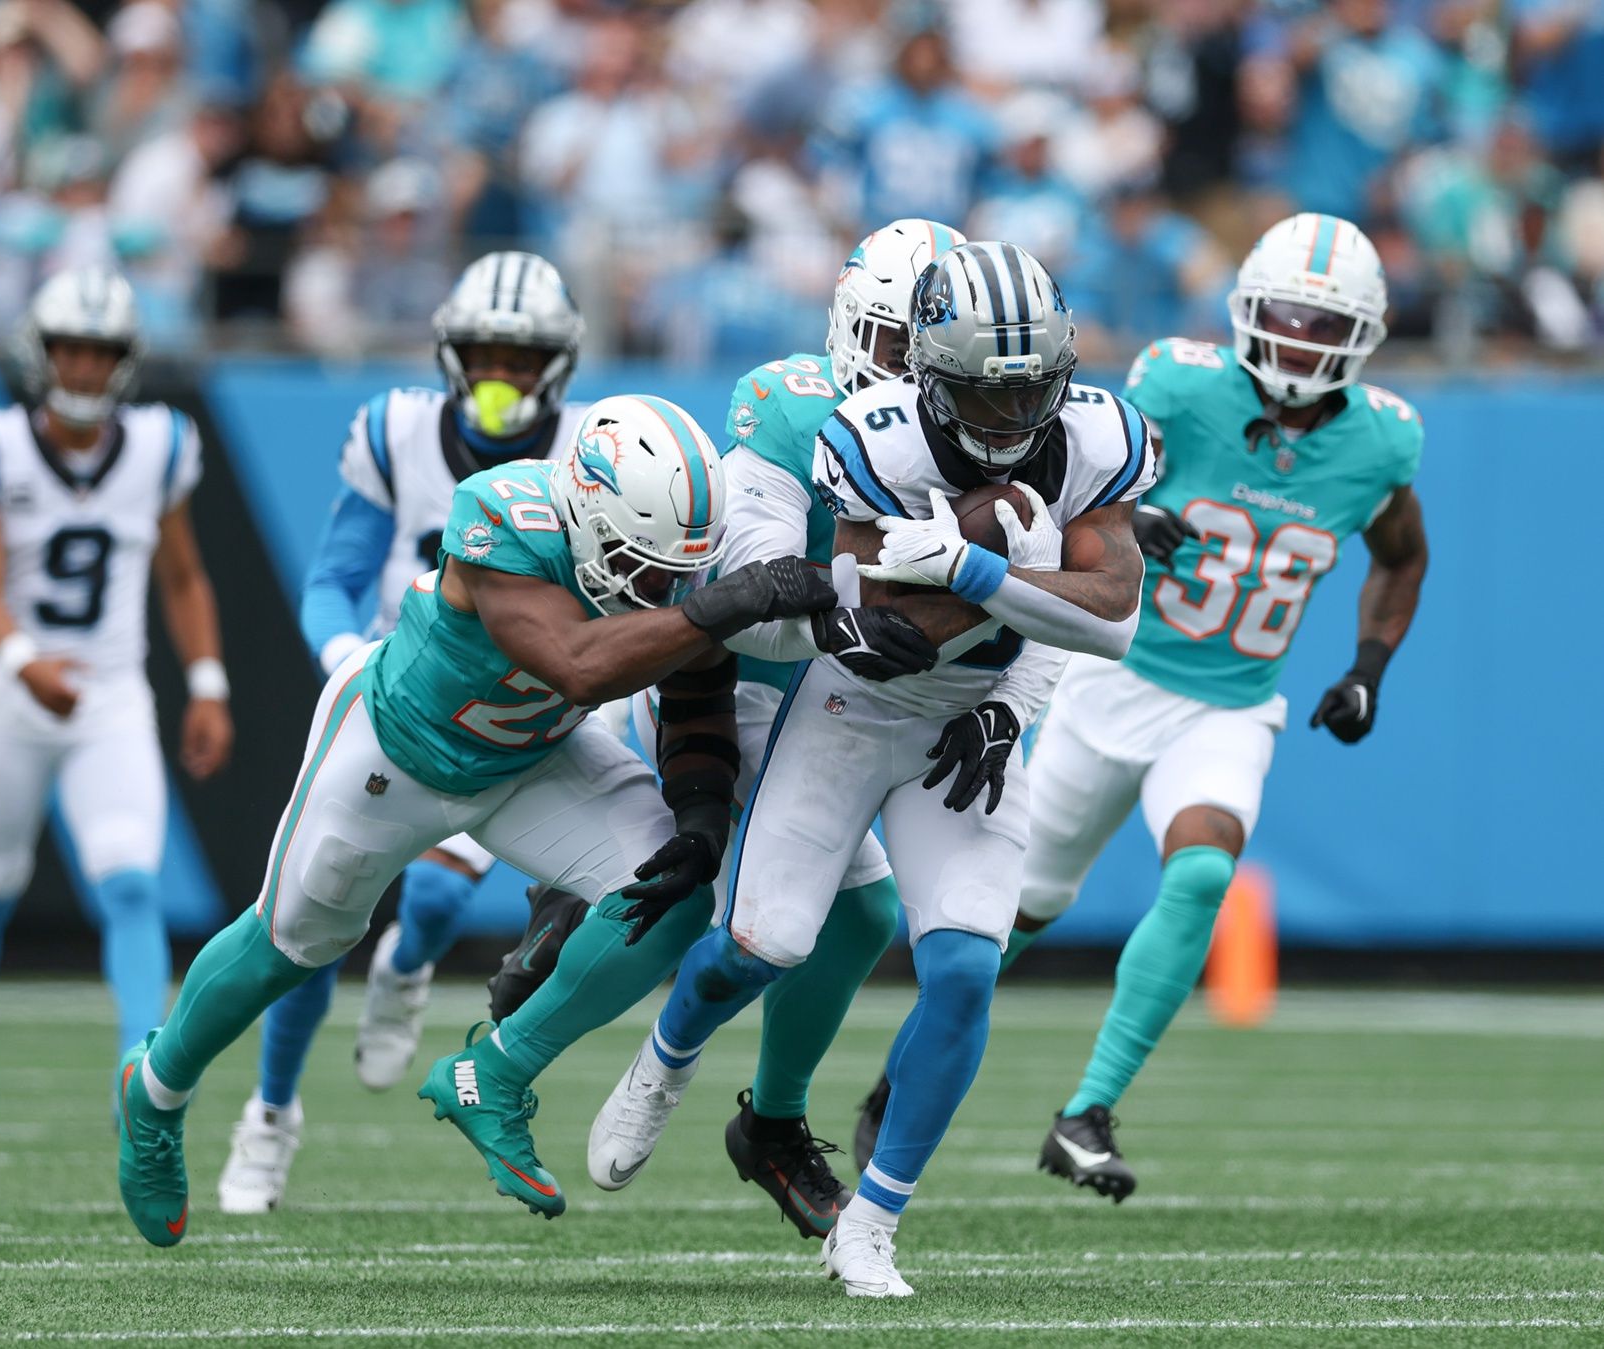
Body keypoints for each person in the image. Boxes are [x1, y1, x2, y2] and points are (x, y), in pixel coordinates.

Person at [115, 393, 837, 1247]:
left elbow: (694, 690)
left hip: (533, 759)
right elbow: (576, 664)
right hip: (394, 751)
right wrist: (725, 605)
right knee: (289, 944)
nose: (661, 589)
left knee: (676, 892)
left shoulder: (685, 570)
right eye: (640, 566)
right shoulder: (504, 513)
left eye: (678, 574)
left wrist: (703, 812)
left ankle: (492, 1072)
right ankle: (154, 1091)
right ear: (586, 513)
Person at [594, 240, 1155, 1296]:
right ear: (929, 376)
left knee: (965, 969)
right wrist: (1005, 578)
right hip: (851, 704)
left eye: (1031, 387)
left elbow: (1110, 619)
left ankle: (872, 1223)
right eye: (985, 391)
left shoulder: (1095, 435)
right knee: (760, 945)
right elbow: (869, 623)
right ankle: (664, 1059)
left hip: (972, 715)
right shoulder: (870, 434)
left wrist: (993, 645)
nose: (1011, 415)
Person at [858, 213, 1430, 1206]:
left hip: (1229, 705)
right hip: (1107, 679)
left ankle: (1087, 1111)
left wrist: (1368, 665)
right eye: (1285, 317)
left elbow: (1401, 553)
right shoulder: (1178, 384)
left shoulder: (1381, 440)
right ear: (1245, 312)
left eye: (1323, 325)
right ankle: (895, 1082)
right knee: (1009, 915)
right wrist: (1131, 517)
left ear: (1363, 337)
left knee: (1203, 869)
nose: (1299, 341)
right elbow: (1072, 482)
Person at [598, 219, 958, 1239]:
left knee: (858, 917)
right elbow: (750, 588)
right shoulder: (791, 404)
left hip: (835, 691)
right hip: (741, 685)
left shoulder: (971, 429)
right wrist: (839, 621)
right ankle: (644, 1063)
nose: (910, 376)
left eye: (932, 355)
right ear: (847, 329)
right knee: (753, 924)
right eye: (894, 346)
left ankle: (769, 1120)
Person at [215, 251, 590, 1215]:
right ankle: (270, 1113)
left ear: (557, 364)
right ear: (450, 353)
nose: (499, 372)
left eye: (519, 355)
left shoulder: (590, 452)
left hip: (507, 719)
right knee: (306, 926)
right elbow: (334, 578)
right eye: (484, 352)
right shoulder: (397, 432)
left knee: (432, 896)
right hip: (394, 707)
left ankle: (409, 966)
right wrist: (352, 660)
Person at [0, 265, 232, 1136]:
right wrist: (25, 662)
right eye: (70, 348)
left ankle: (140, 1072)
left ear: (123, 359)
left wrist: (207, 681)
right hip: (8, 697)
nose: (85, 366)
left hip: (109, 698)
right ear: (42, 352)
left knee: (131, 882)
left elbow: (183, 575)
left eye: (100, 351)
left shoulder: (160, 446)